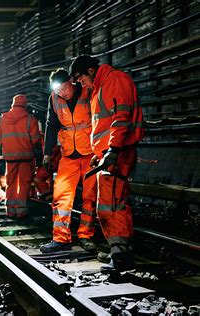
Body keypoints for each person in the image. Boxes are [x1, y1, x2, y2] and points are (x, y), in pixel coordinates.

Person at [69, 55, 145, 272]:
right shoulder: (100, 88)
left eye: (81, 78)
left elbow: (121, 118)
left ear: (91, 71)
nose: (81, 84)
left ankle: (122, 258)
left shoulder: (115, 80)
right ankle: (118, 251)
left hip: (118, 152)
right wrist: (99, 152)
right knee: (107, 204)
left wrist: (112, 149)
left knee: (112, 204)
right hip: (109, 152)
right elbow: (104, 125)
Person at [39, 68, 98, 253]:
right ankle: (61, 238)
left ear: (71, 82)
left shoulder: (88, 92)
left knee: (90, 196)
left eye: (63, 88)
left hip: (90, 153)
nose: (61, 93)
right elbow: (51, 125)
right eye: (57, 90)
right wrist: (47, 153)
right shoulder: (54, 99)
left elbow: (100, 119)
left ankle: (85, 236)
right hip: (68, 155)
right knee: (60, 196)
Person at [0, 94, 43, 219]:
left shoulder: (2, 119)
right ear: (25, 104)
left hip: (10, 159)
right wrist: (39, 159)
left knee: (10, 183)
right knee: (24, 184)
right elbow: (36, 142)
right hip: (26, 158)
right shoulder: (30, 119)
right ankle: (21, 211)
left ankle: (10, 211)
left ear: (13, 104)